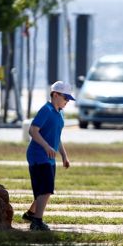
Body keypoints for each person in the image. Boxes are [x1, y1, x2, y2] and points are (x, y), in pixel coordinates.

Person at [22, 81, 74, 231]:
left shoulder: (60, 113)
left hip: (49, 155)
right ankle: (37, 222)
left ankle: (31, 214)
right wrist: (46, 146)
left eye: (69, 99)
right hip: (38, 154)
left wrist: (64, 155)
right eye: (66, 98)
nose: (67, 101)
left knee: (44, 189)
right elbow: (33, 130)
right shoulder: (46, 110)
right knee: (46, 189)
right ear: (55, 95)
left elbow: (56, 137)